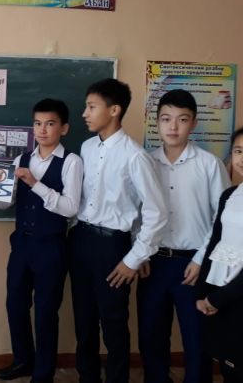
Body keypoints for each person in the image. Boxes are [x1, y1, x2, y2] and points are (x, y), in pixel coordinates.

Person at [0, 99, 83, 383]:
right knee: (15, 305)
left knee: (46, 312)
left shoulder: (71, 162)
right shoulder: (21, 160)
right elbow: (5, 201)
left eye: (50, 123)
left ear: (64, 128)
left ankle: (43, 372)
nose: (42, 130)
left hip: (52, 246)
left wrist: (35, 183)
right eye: (37, 123)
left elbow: (71, 207)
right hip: (22, 245)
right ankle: (23, 360)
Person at [69, 78, 168, 383]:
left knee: (113, 324)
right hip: (81, 239)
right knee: (83, 321)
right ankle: (87, 378)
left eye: (91, 107)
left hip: (112, 247)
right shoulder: (86, 147)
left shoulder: (134, 155)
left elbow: (155, 212)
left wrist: (135, 257)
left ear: (114, 110)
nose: (84, 113)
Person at [138, 89, 229, 383]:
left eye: (182, 119)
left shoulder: (209, 164)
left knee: (197, 340)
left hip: (193, 266)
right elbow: (137, 214)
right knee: (151, 337)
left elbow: (222, 219)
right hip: (153, 263)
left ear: (194, 123)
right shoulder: (146, 163)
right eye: (166, 119)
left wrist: (202, 260)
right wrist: (139, 254)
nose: (173, 127)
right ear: (157, 123)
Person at [196, 127, 243, 383]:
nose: (242, 158)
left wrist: (218, 298)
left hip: (234, 294)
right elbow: (215, 242)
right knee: (227, 364)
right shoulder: (230, 195)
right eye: (238, 151)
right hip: (220, 293)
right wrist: (202, 292)